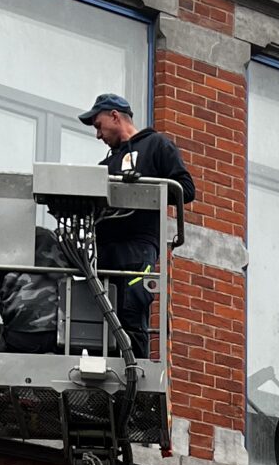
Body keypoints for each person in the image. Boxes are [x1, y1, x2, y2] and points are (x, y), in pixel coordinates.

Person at [78, 93, 196, 358]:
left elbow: (186, 189)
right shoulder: (106, 165)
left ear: (115, 116)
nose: (98, 135)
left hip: (137, 249)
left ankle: (135, 370)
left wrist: (144, 185)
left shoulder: (156, 145)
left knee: (132, 310)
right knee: (100, 321)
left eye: (99, 126)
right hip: (104, 252)